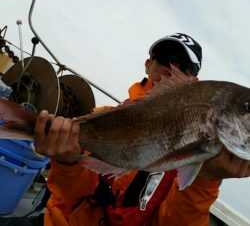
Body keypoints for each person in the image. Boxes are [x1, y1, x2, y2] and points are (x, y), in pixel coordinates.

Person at [2, 33, 249, 226]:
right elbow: (73, 195)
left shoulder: (207, 158)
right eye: (165, 59)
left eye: (184, 66)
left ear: (193, 81)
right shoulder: (100, 119)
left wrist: (206, 181)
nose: (170, 69)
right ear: (148, 64)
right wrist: (66, 161)